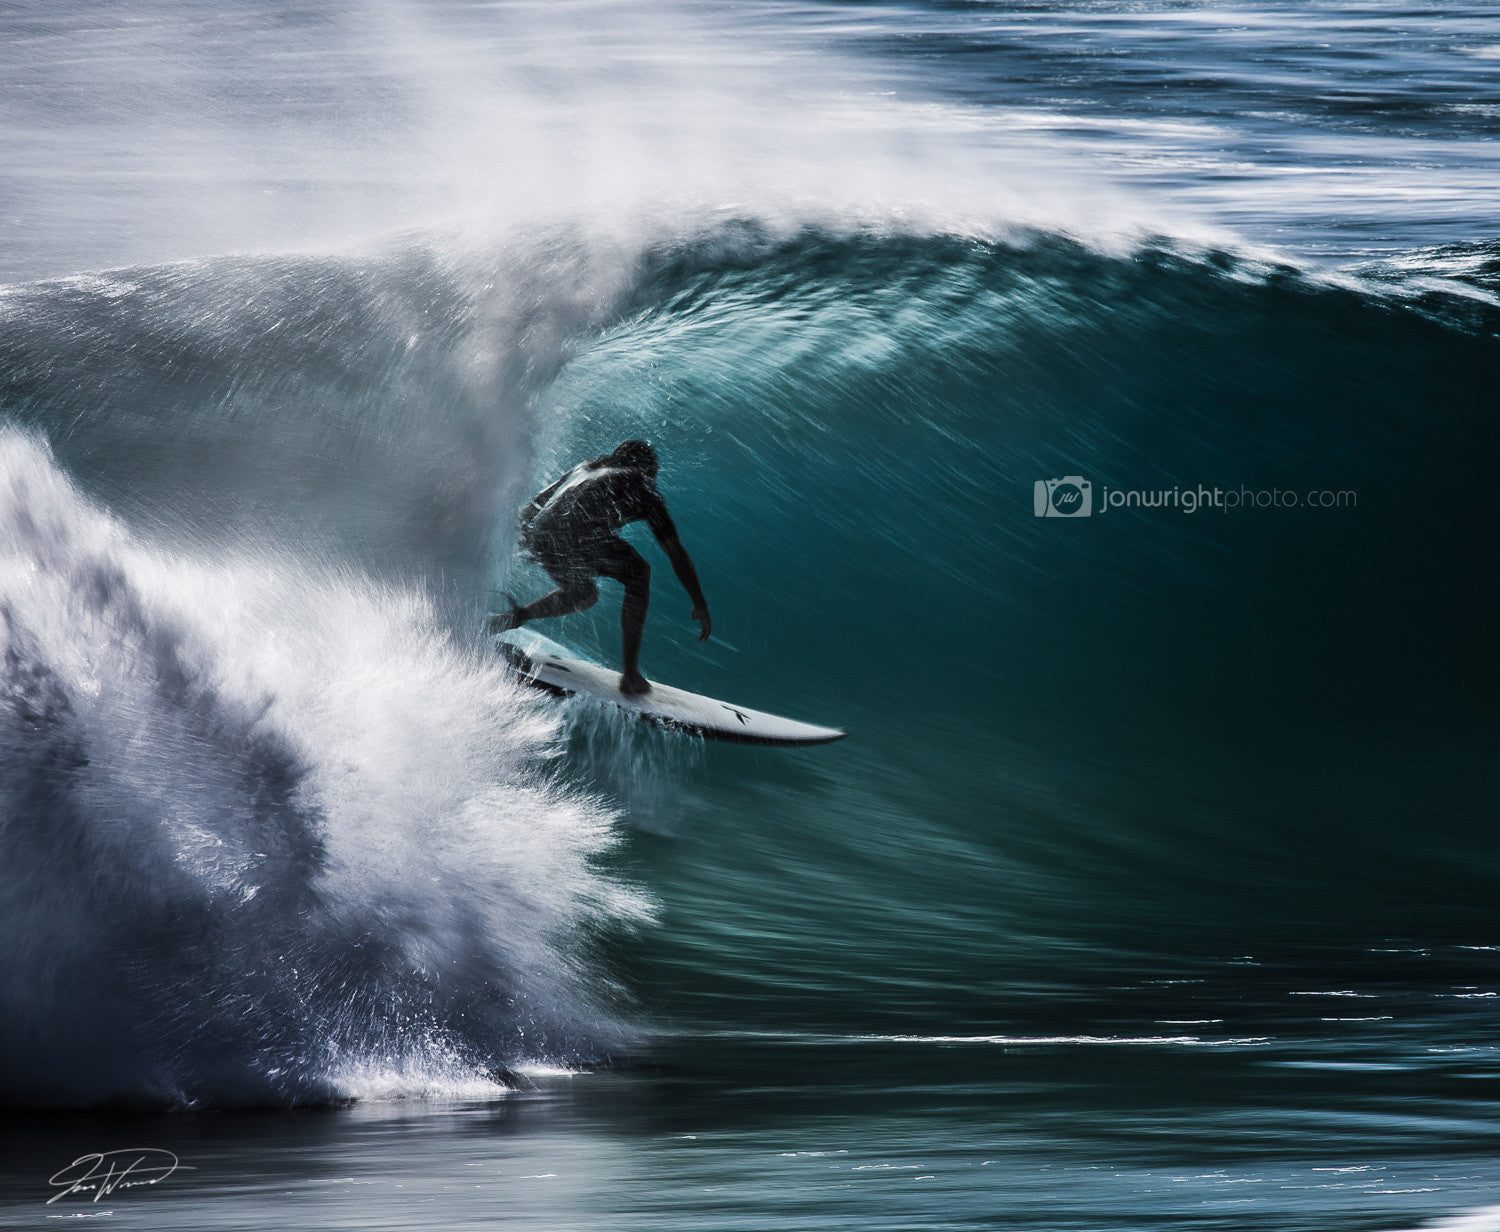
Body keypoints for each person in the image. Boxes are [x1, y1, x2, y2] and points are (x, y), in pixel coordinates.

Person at [488, 440, 710, 695]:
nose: (654, 479)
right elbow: (677, 554)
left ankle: (511, 618)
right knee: (639, 573)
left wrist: (531, 546)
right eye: (654, 472)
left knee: (584, 593)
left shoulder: (585, 468)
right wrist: (699, 604)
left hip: (542, 534)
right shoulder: (643, 487)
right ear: (647, 468)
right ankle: (630, 675)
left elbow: (532, 508)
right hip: (575, 534)